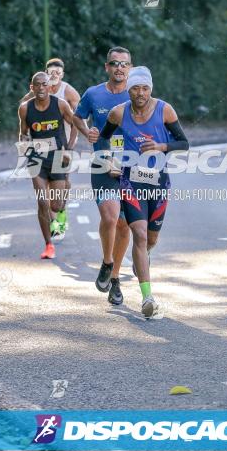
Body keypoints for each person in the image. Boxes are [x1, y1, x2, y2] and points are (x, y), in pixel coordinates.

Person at [99, 66, 189, 318]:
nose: (140, 93)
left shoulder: (164, 110)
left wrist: (162, 146)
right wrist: (109, 161)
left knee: (150, 239)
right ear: (129, 90)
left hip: (159, 182)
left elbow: (184, 143)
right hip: (131, 182)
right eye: (135, 88)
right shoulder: (118, 113)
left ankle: (146, 254)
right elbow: (103, 138)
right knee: (137, 234)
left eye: (145, 88)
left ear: (151, 88)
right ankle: (147, 298)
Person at [72, 47, 132, 304]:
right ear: (106, 67)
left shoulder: (138, 94)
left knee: (124, 224)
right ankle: (107, 262)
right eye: (114, 63)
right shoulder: (93, 94)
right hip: (102, 164)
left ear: (130, 68)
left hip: (132, 167)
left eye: (124, 64)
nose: (119, 68)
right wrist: (87, 133)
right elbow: (76, 117)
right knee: (110, 216)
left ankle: (115, 278)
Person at [19, 58, 80, 234]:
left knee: (63, 185)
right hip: (40, 146)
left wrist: (70, 145)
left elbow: (80, 118)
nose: (54, 75)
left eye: (57, 72)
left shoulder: (68, 92)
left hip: (64, 141)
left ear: (62, 74)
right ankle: (54, 223)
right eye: (51, 71)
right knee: (43, 193)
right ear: (46, 72)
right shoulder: (39, 87)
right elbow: (23, 109)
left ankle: (60, 213)